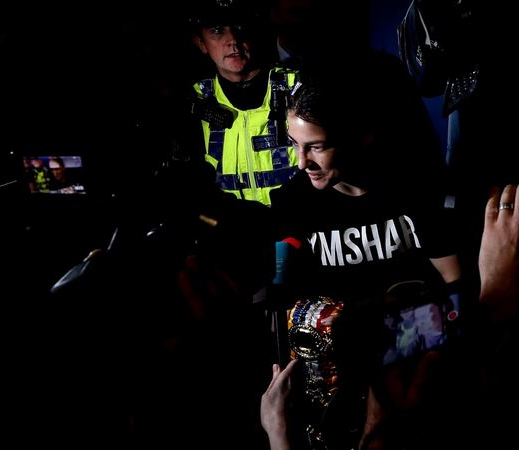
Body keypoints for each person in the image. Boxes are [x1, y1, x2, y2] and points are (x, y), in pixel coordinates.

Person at [269, 73, 462, 449]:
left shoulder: (415, 192)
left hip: (414, 363)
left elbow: (455, 287)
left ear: (362, 136)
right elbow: (285, 304)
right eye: (295, 145)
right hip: (335, 378)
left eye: (317, 147)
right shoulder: (294, 202)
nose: (301, 162)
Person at [189, 0, 298, 206]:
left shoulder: (295, 87)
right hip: (232, 231)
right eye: (218, 30)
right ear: (200, 42)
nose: (232, 40)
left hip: (296, 227)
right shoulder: (195, 100)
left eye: (239, 27)